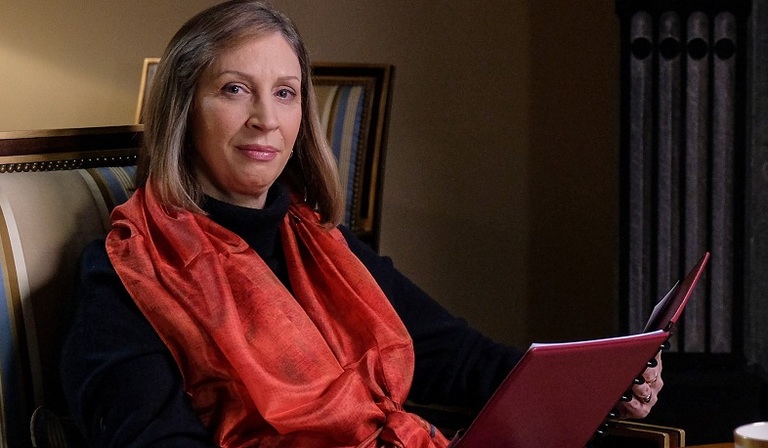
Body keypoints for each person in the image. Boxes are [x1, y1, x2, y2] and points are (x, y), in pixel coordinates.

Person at [60, 1, 663, 447]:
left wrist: (601, 385)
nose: (265, 118)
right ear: (184, 109)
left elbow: (459, 359)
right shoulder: (126, 272)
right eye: (235, 89)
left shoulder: (324, 245)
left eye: (286, 92)